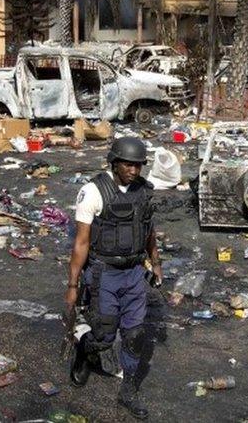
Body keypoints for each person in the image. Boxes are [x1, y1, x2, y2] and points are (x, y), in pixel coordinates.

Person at [65, 137, 162, 420]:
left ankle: (128, 391)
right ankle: (85, 350)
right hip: (103, 274)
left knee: (134, 335)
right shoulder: (93, 191)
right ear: (114, 162)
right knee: (105, 335)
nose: (134, 170)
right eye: (128, 165)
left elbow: (148, 229)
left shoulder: (143, 191)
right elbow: (81, 243)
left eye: (139, 165)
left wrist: (155, 263)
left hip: (133, 273)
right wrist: (72, 286)